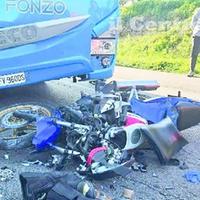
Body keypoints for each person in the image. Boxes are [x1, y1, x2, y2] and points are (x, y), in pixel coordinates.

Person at [188, 8, 200, 77]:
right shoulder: (199, 10)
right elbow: (193, 20)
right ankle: (191, 70)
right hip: (197, 34)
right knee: (194, 53)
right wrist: (195, 29)